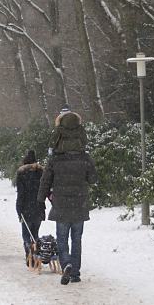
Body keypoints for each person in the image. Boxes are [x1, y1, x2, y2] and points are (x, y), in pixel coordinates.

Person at [38, 109, 97, 285]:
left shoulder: (55, 159)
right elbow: (93, 178)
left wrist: (40, 199)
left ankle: (67, 264)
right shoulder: (85, 157)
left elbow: (45, 180)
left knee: (62, 238)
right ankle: (76, 272)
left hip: (61, 203)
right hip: (79, 202)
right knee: (76, 239)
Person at [16, 149, 45, 265]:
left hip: (26, 208)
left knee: (26, 234)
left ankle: (29, 252)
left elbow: (20, 194)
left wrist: (19, 210)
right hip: (38, 207)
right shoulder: (41, 173)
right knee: (35, 233)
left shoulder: (22, 174)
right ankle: (36, 253)